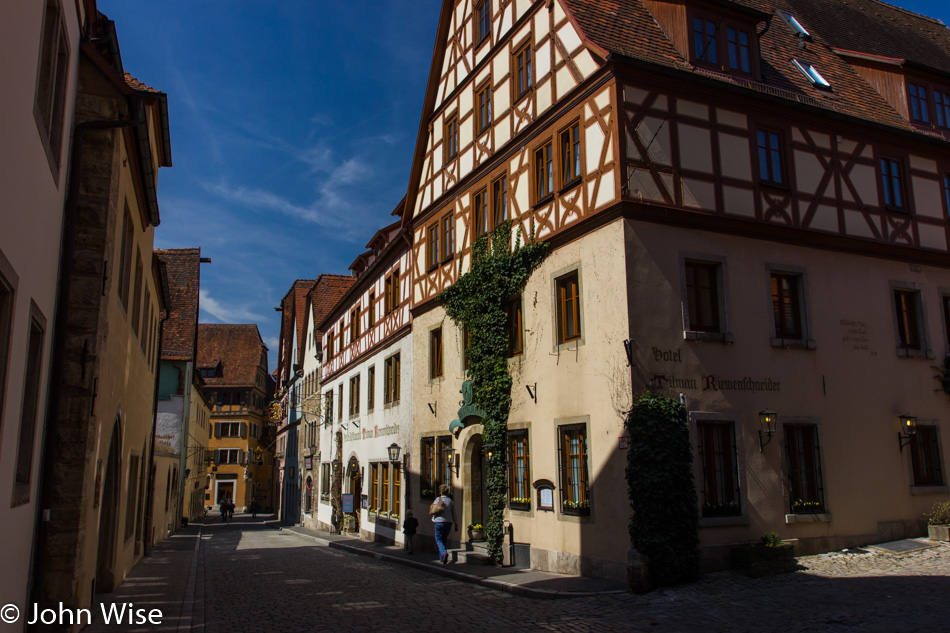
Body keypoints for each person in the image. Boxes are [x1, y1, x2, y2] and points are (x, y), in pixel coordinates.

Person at [431, 484, 457, 564]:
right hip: (448, 523)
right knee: (444, 539)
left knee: (438, 539)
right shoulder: (450, 501)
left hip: (438, 522)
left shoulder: (437, 499)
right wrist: (456, 524)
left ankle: (444, 553)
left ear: (441, 492)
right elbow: (454, 513)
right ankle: (442, 558)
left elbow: (434, 509)